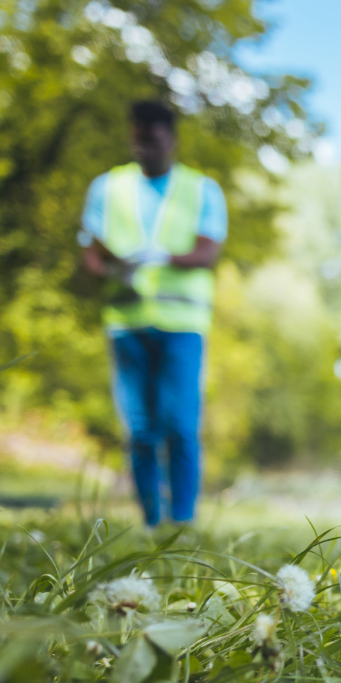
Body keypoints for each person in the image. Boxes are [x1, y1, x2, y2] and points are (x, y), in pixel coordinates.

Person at [80, 100, 226, 528]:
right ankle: (150, 519)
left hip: (183, 326)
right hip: (126, 323)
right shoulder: (107, 188)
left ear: (172, 140)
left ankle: (182, 521)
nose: (146, 148)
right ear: (132, 137)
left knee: (180, 424)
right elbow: (90, 253)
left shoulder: (201, 189)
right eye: (139, 139)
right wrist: (112, 269)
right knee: (140, 428)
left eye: (155, 140)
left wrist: (162, 256)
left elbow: (208, 251)